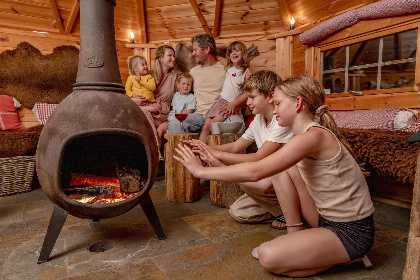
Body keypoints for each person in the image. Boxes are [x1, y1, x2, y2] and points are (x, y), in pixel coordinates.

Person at [174, 74, 375, 277]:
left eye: (278, 103)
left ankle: (348, 256)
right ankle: (295, 234)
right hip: (323, 219)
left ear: (298, 103)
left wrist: (202, 171)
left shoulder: (314, 136)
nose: (275, 108)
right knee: (283, 168)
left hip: (351, 232)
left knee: (268, 256)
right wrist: (215, 160)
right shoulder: (302, 136)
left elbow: (257, 170)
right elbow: (264, 168)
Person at [185, 70, 294, 224]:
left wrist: (216, 155)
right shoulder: (258, 119)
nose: (247, 102)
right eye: (247, 96)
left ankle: (291, 212)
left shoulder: (281, 122)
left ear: (270, 97)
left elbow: (258, 157)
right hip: (269, 179)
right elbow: (236, 146)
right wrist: (205, 147)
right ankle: (280, 210)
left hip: (284, 181)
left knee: (247, 179)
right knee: (238, 212)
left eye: (252, 97)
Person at [168, 34, 226, 133]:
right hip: (199, 115)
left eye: (195, 50)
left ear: (207, 49)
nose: (193, 53)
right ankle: (179, 149)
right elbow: (182, 86)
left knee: (238, 124)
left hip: (220, 114)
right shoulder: (193, 72)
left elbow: (240, 72)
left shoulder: (225, 69)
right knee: (175, 123)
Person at [199, 40, 251, 143]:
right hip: (221, 101)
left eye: (237, 50)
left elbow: (247, 93)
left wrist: (234, 104)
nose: (234, 53)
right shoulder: (229, 66)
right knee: (206, 126)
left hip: (230, 103)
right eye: (231, 52)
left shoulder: (246, 72)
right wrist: (207, 53)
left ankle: (216, 149)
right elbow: (217, 58)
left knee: (214, 123)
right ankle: (198, 153)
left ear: (243, 53)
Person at [157, 72, 196, 150]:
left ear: (191, 87)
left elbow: (189, 113)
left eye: (188, 84)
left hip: (179, 121)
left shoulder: (191, 97)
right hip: (170, 119)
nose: (185, 86)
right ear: (178, 85)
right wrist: (168, 119)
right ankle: (158, 154)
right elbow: (173, 109)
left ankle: (171, 152)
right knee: (159, 130)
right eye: (183, 84)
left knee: (169, 132)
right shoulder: (176, 95)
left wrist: (173, 122)